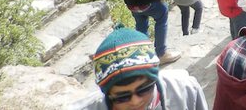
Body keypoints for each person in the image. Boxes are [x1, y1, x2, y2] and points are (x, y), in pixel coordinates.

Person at [73, 27, 206, 110]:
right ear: (107, 94)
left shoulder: (186, 89)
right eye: (122, 97)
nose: (135, 101)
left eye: (144, 89)